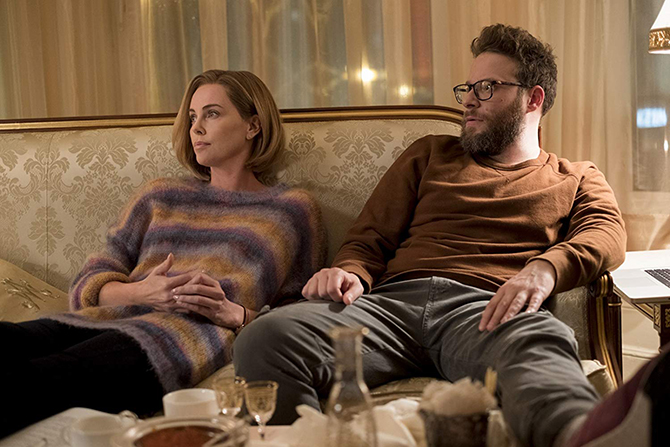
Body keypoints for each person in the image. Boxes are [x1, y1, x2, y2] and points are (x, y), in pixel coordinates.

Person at [233, 24, 630, 447]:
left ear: (533, 99)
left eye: (487, 87)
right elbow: (368, 238)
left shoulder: (574, 176)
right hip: (389, 309)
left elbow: (606, 232)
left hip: (486, 312)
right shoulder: (430, 153)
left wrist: (545, 269)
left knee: (542, 344)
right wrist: (349, 271)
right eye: (468, 88)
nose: (469, 100)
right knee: (267, 336)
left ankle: (591, 439)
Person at [0, 69, 326, 436]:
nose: (196, 128)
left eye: (212, 114)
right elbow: (86, 285)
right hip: (96, 320)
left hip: (173, 343)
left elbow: (299, 318)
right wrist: (143, 292)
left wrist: (234, 314)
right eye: (192, 117)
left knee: (31, 383)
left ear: (253, 125)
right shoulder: (160, 195)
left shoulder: (291, 211)